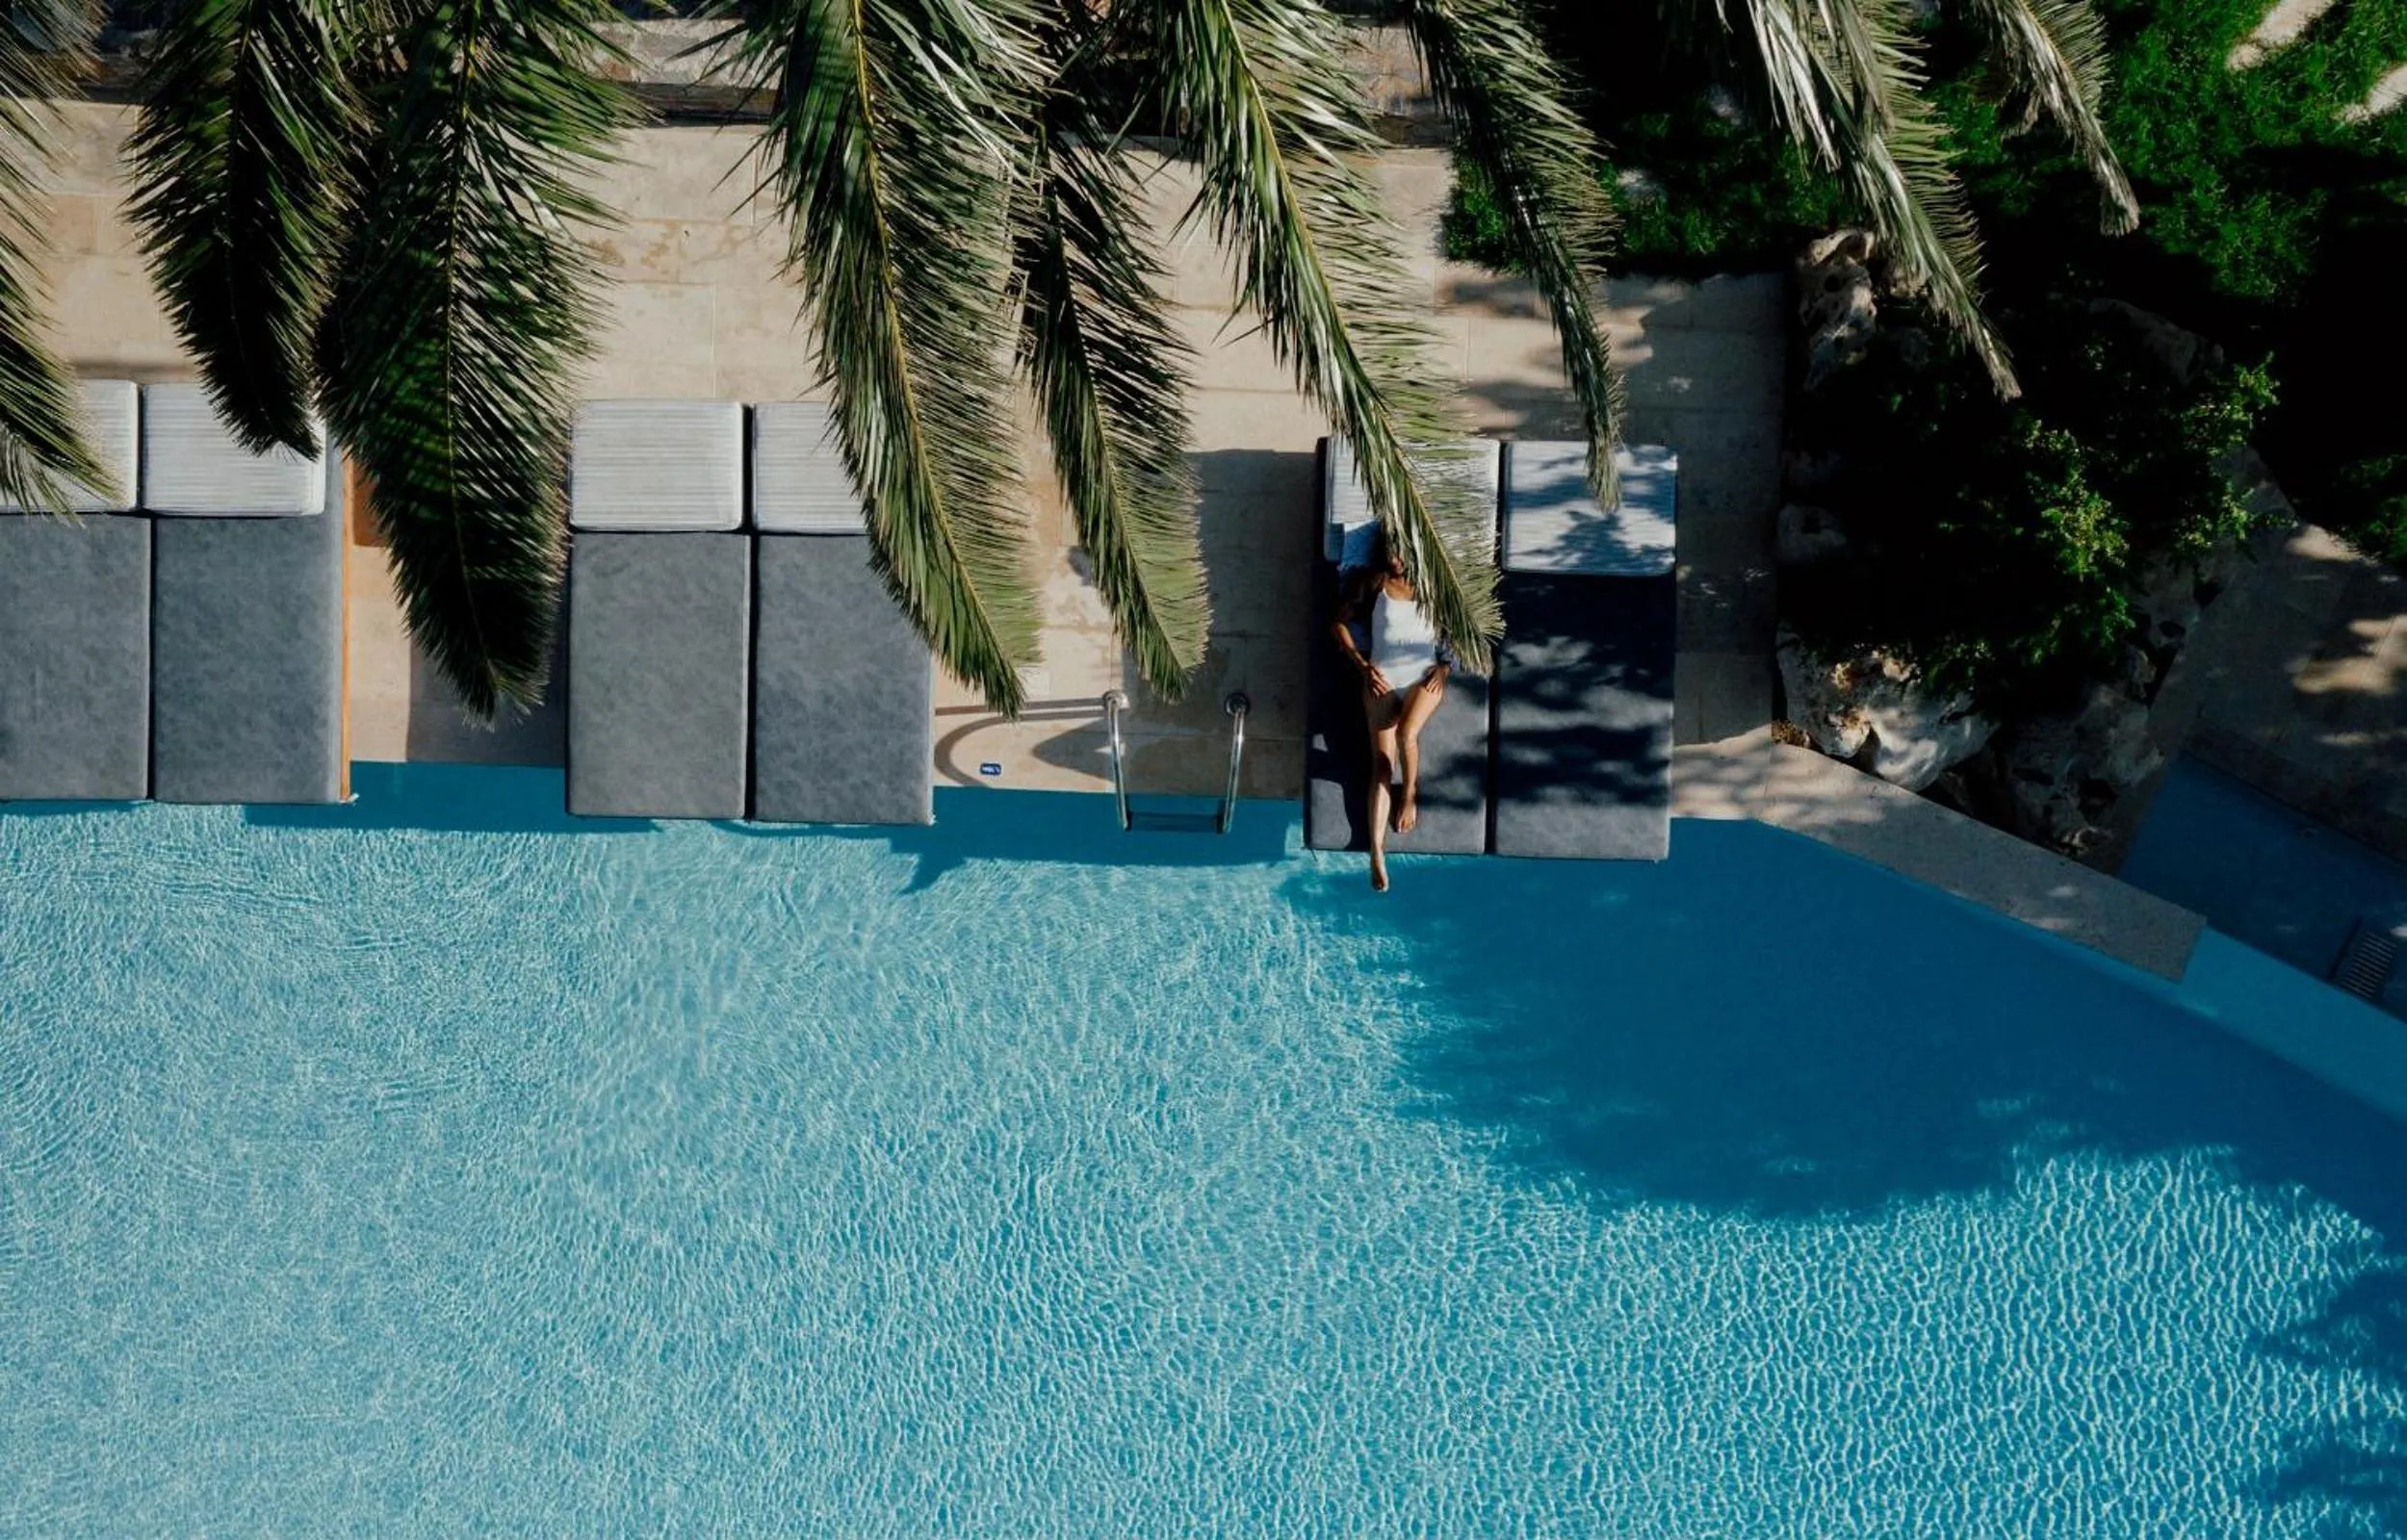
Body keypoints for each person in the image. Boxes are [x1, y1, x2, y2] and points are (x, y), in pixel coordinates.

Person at [1330, 526, 1448, 892]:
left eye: (1401, 553)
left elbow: (1457, 634)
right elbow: (1338, 623)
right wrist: (1362, 666)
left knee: (1406, 734)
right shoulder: (1373, 582)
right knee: (1380, 767)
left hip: (1423, 677)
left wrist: (1444, 668)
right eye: (1390, 553)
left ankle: (1410, 793)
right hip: (1381, 677)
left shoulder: (1435, 586)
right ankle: (1377, 852)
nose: (1395, 560)